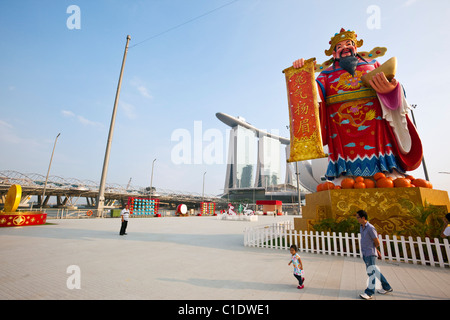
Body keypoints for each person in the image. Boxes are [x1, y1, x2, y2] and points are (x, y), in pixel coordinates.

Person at [292, 28, 422, 184]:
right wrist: (303, 74)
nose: (345, 48)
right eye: (339, 47)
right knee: (345, 177)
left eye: (349, 44)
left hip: (375, 122)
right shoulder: (326, 74)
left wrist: (391, 90)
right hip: (340, 126)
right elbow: (313, 97)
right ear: (334, 54)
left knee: (387, 175)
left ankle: (387, 173)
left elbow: (393, 84)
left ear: (356, 48)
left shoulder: (373, 64)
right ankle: (344, 178)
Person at [356, 209, 392, 299]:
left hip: (369, 253)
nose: (357, 219)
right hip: (365, 252)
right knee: (374, 271)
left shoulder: (370, 228)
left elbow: (377, 241)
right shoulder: (361, 226)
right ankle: (387, 287)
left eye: (358, 217)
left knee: (370, 272)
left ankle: (369, 293)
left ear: (363, 218)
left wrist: (374, 250)